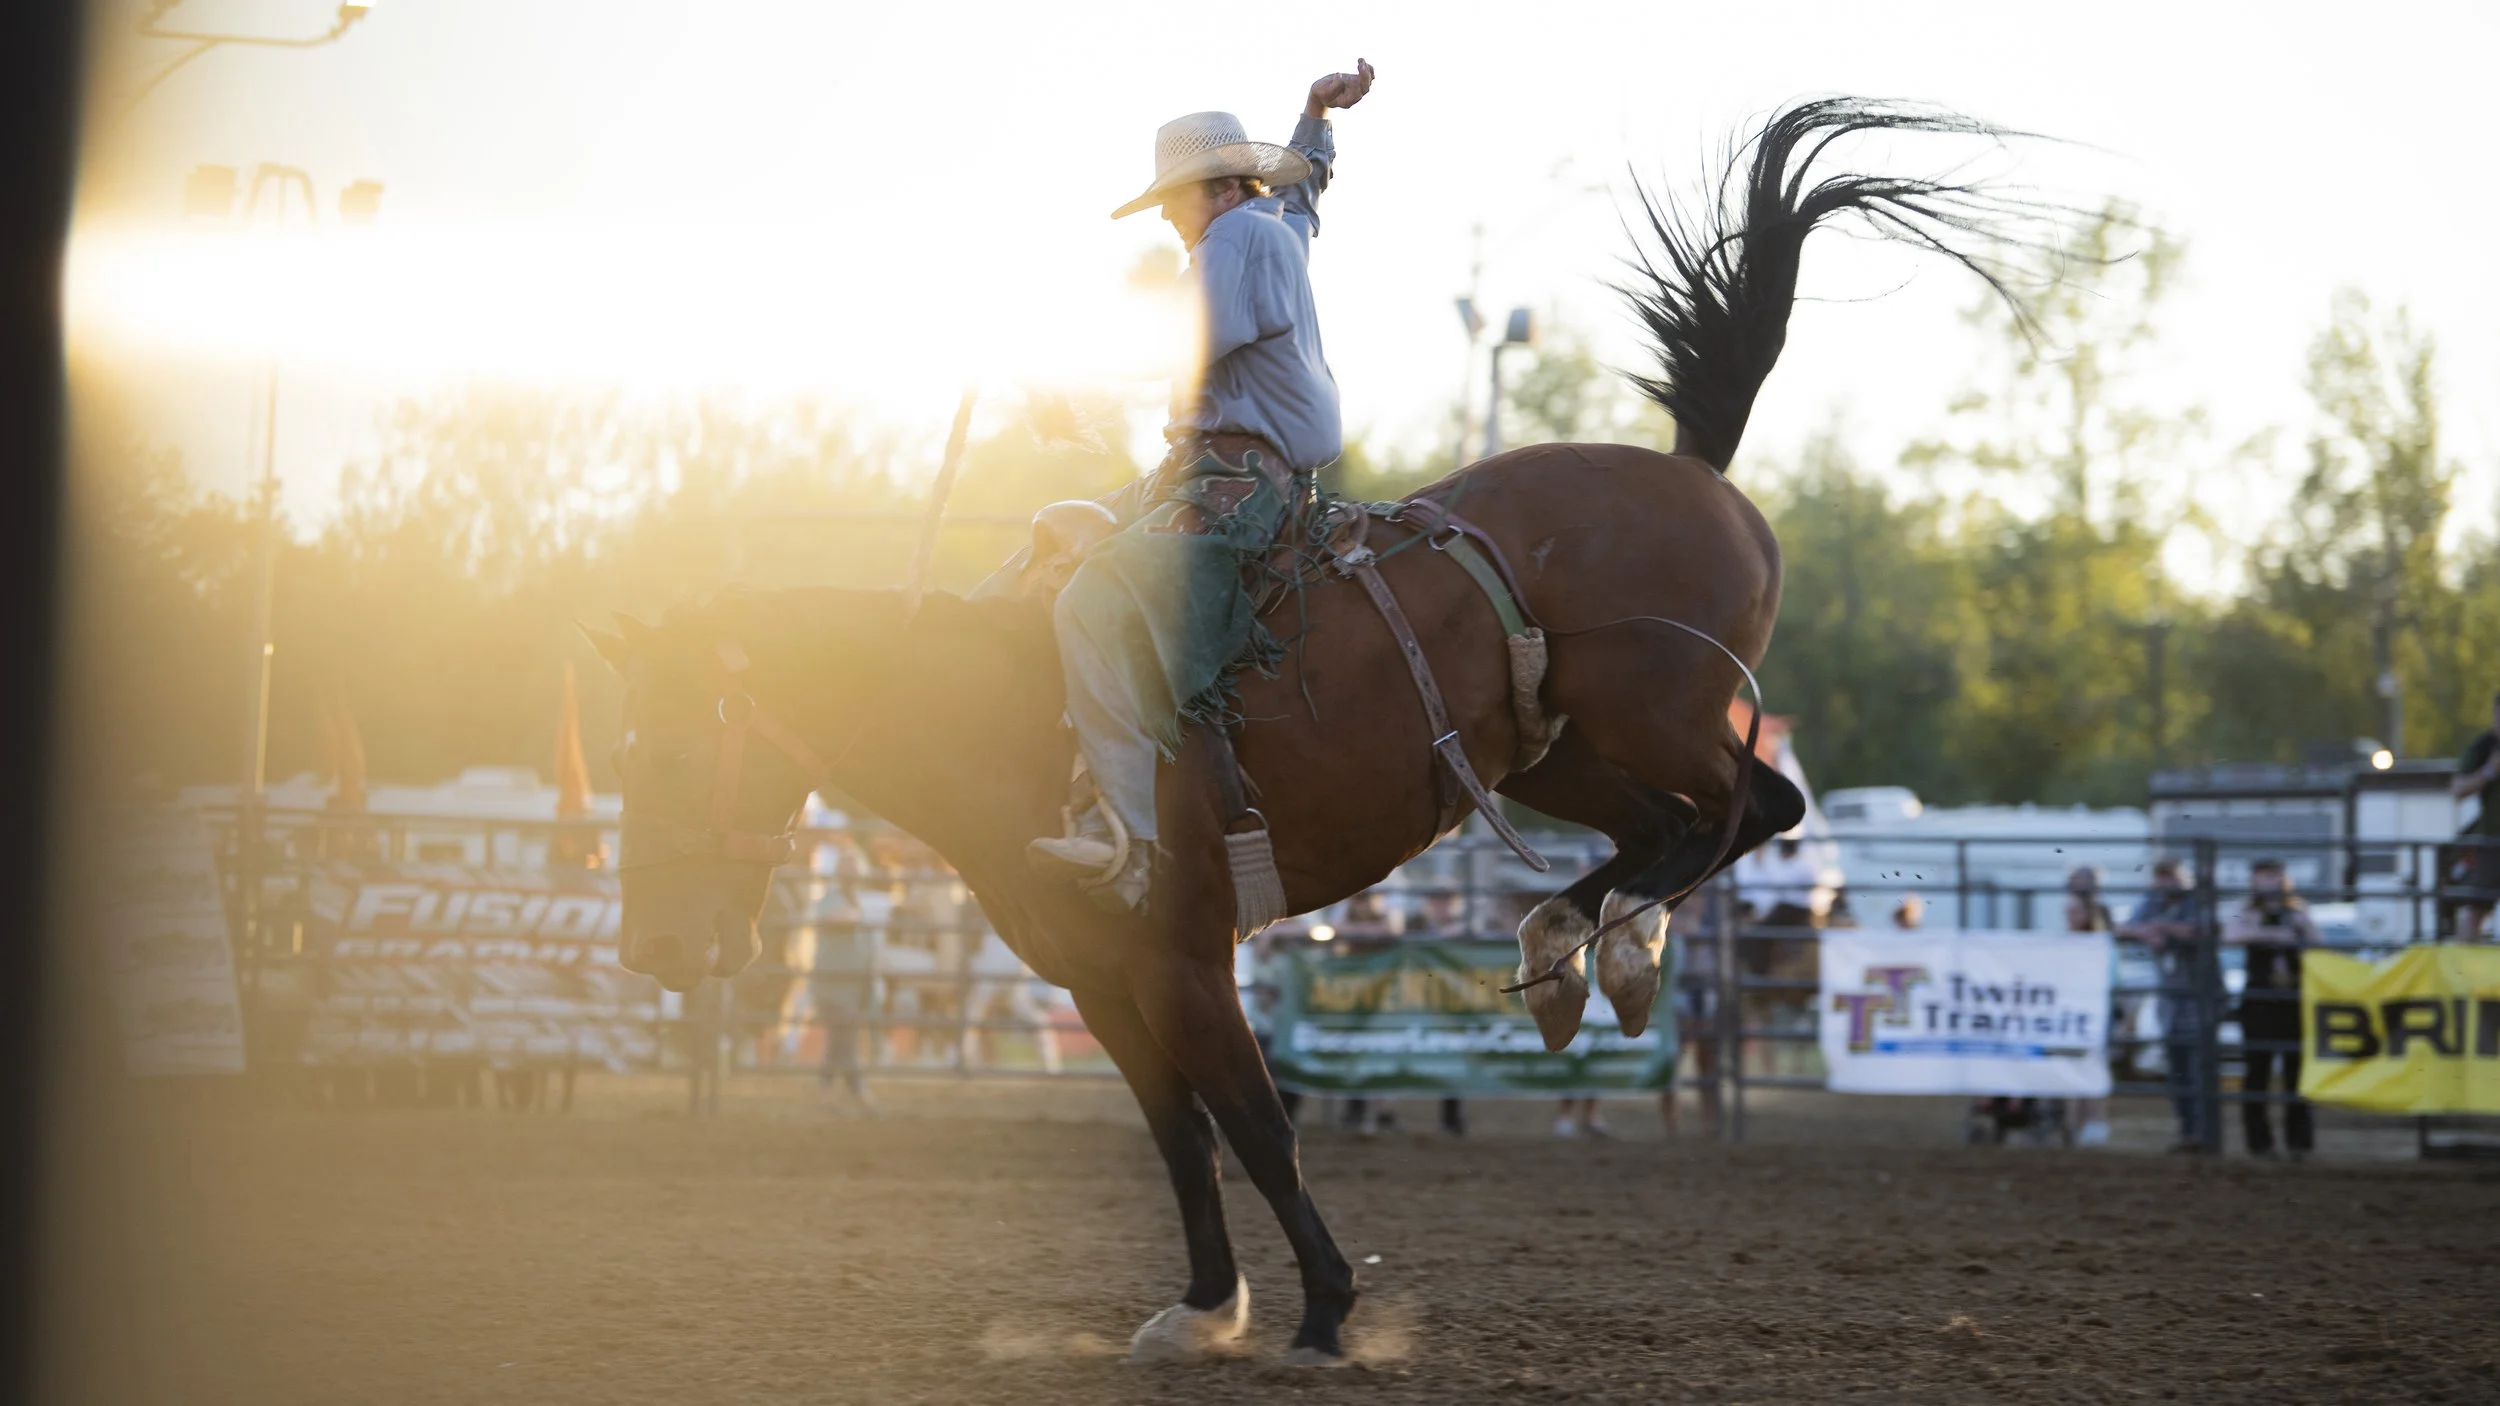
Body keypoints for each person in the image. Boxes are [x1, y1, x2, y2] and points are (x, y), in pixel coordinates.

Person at [1025, 61, 1378, 914]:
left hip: (1234, 479)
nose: (1174, 223)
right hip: (1225, 468)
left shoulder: (1233, 239)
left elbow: (1182, 345)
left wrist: (1066, 391)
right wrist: (1314, 117)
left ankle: (1128, 836)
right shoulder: (1273, 225)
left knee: (1084, 603)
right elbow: (1309, 192)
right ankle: (1098, 773)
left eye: (1175, 202)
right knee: (1053, 541)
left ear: (1215, 189)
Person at [2225, 859, 2320, 1160]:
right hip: (2259, 1000)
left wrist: (2294, 927)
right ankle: (2260, 1143)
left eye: (2274, 876)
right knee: (2257, 1072)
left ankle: (2299, 1142)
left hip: (2292, 998)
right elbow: (2232, 934)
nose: (2269, 882)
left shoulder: (2298, 909)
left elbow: (2317, 940)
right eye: (2263, 877)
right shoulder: (2247, 909)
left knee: (2297, 1073)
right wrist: (2274, 935)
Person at [2118, 859, 2205, 1151]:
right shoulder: (2154, 901)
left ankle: (2203, 1133)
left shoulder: (2197, 901)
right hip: (2171, 1000)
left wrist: (2160, 927)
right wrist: (2147, 931)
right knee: (2177, 1069)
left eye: (2172, 877)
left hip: (2198, 998)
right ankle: (2188, 1132)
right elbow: (2126, 928)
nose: (2166, 883)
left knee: (2198, 1069)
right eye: (2162, 877)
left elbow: (2198, 930)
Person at [2451, 692, 2500, 942]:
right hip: (2493, 844)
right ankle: (2464, 971)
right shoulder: (2485, 747)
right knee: (2475, 910)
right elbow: (2458, 789)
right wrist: (2489, 772)